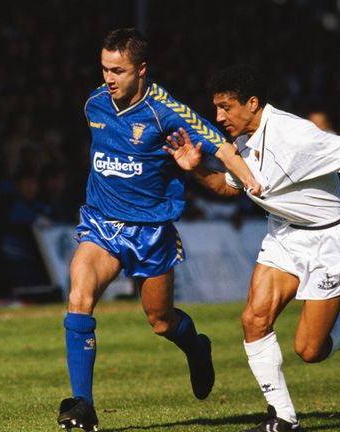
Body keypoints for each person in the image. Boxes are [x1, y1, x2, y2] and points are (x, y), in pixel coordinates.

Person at [165, 64, 340, 432]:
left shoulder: (295, 134)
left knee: (310, 350)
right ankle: (283, 418)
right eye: (215, 107)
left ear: (252, 103)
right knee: (253, 320)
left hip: (328, 239)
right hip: (284, 235)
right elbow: (229, 188)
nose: (218, 116)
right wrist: (195, 169)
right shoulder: (240, 145)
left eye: (225, 107)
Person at [57, 29, 262, 431]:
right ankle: (83, 405)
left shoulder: (165, 110)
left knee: (161, 321)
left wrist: (252, 183)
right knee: (79, 296)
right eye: (104, 69)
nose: (109, 78)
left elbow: (222, 147)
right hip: (101, 223)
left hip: (150, 231)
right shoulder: (94, 105)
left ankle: (197, 347)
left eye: (118, 70)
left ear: (142, 70)